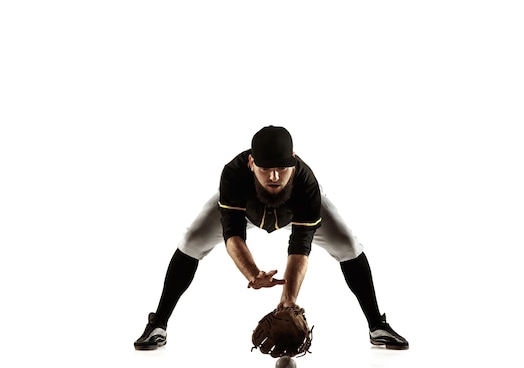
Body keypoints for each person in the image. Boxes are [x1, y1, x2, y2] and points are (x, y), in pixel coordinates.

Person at [134, 125, 409, 351]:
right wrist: (253, 274)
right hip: (245, 212)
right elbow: (233, 233)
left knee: (348, 244)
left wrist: (288, 299)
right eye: (266, 168)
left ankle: (377, 326)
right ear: (251, 163)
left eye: (282, 168)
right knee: (192, 240)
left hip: (295, 211)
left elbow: (300, 246)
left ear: (294, 161)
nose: (275, 176)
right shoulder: (233, 174)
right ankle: (158, 323)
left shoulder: (306, 183)